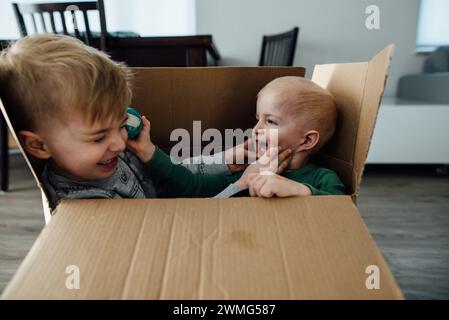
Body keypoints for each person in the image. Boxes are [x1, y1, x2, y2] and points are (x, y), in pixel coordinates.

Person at [128, 76, 346, 198]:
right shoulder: (245, 169)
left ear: (307, 141)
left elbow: (340, 210)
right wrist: (151, 153)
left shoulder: (321, 179)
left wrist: (301, 191)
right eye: (258, 118)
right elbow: (191, 186)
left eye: (270, 121)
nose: (255, 129)